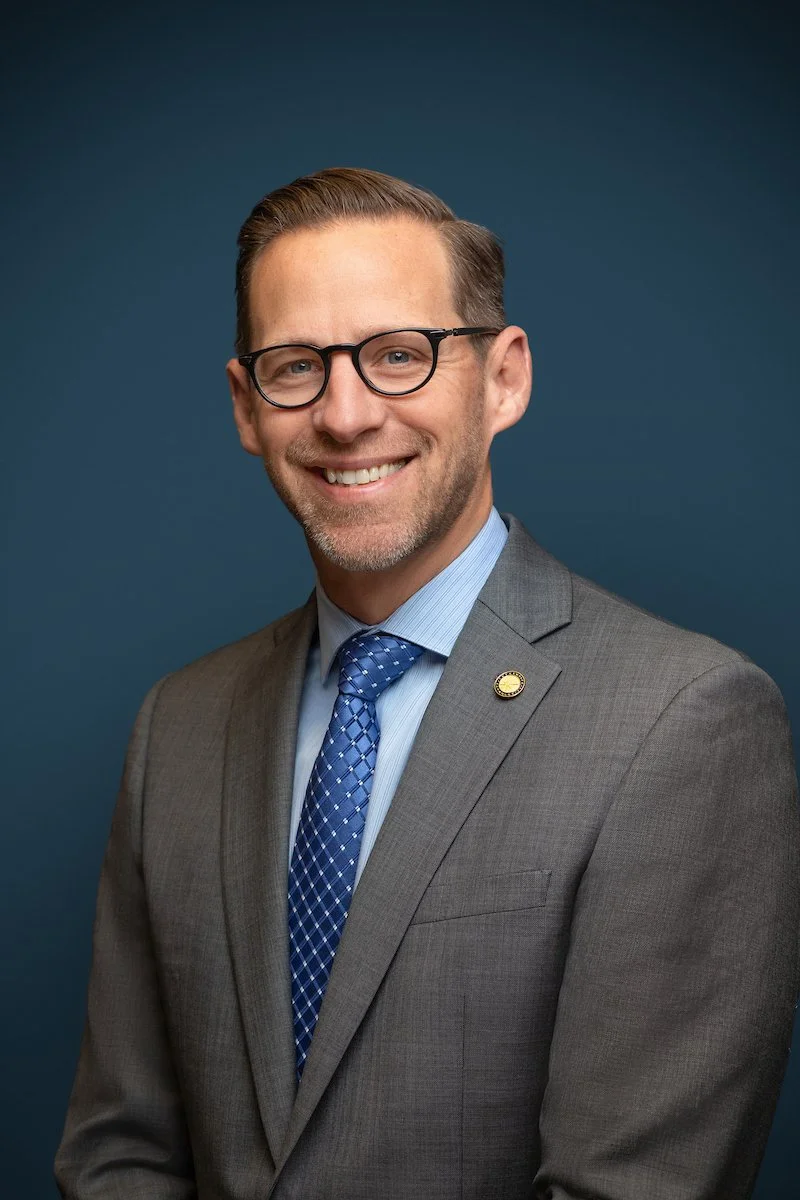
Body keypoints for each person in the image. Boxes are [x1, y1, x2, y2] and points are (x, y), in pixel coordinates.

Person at [56, 167, 800, 1200]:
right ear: (244, 406)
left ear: (502, 379)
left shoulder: (681, 723)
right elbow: (117, 1153)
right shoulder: (178, 726)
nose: (346, 415)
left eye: (400, 356)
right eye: (295, 367)